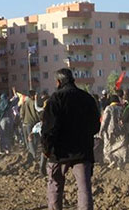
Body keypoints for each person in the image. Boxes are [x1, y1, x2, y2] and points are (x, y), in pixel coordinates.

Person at [41, 68, 100, 210]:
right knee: (84, 188)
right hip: (82, 151)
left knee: (55, 186)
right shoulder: (87, 98)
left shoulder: (55, 99)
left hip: (59, 153)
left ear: (58, 82)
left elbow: (49, 128)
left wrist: (46, 149)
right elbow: (95, 126)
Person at [99, 95, 127, 170]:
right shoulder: (122, 108)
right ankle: (120, 163)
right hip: (121, 130)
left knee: (108, 148)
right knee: (120, 147)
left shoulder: (109, 108)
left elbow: (104, 121)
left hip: (110, 131)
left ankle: (112, 161)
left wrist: (101, 131)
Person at [20, 90, 41, 162]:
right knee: (35, 138)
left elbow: (21, 113)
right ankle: (33, 152)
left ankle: (33, 153)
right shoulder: (34, 103)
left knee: (30, 139)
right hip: (35, 122)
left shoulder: (24, 103)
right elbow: (38, 112)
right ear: (32, 95)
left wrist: (22, 120)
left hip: (27, 123)